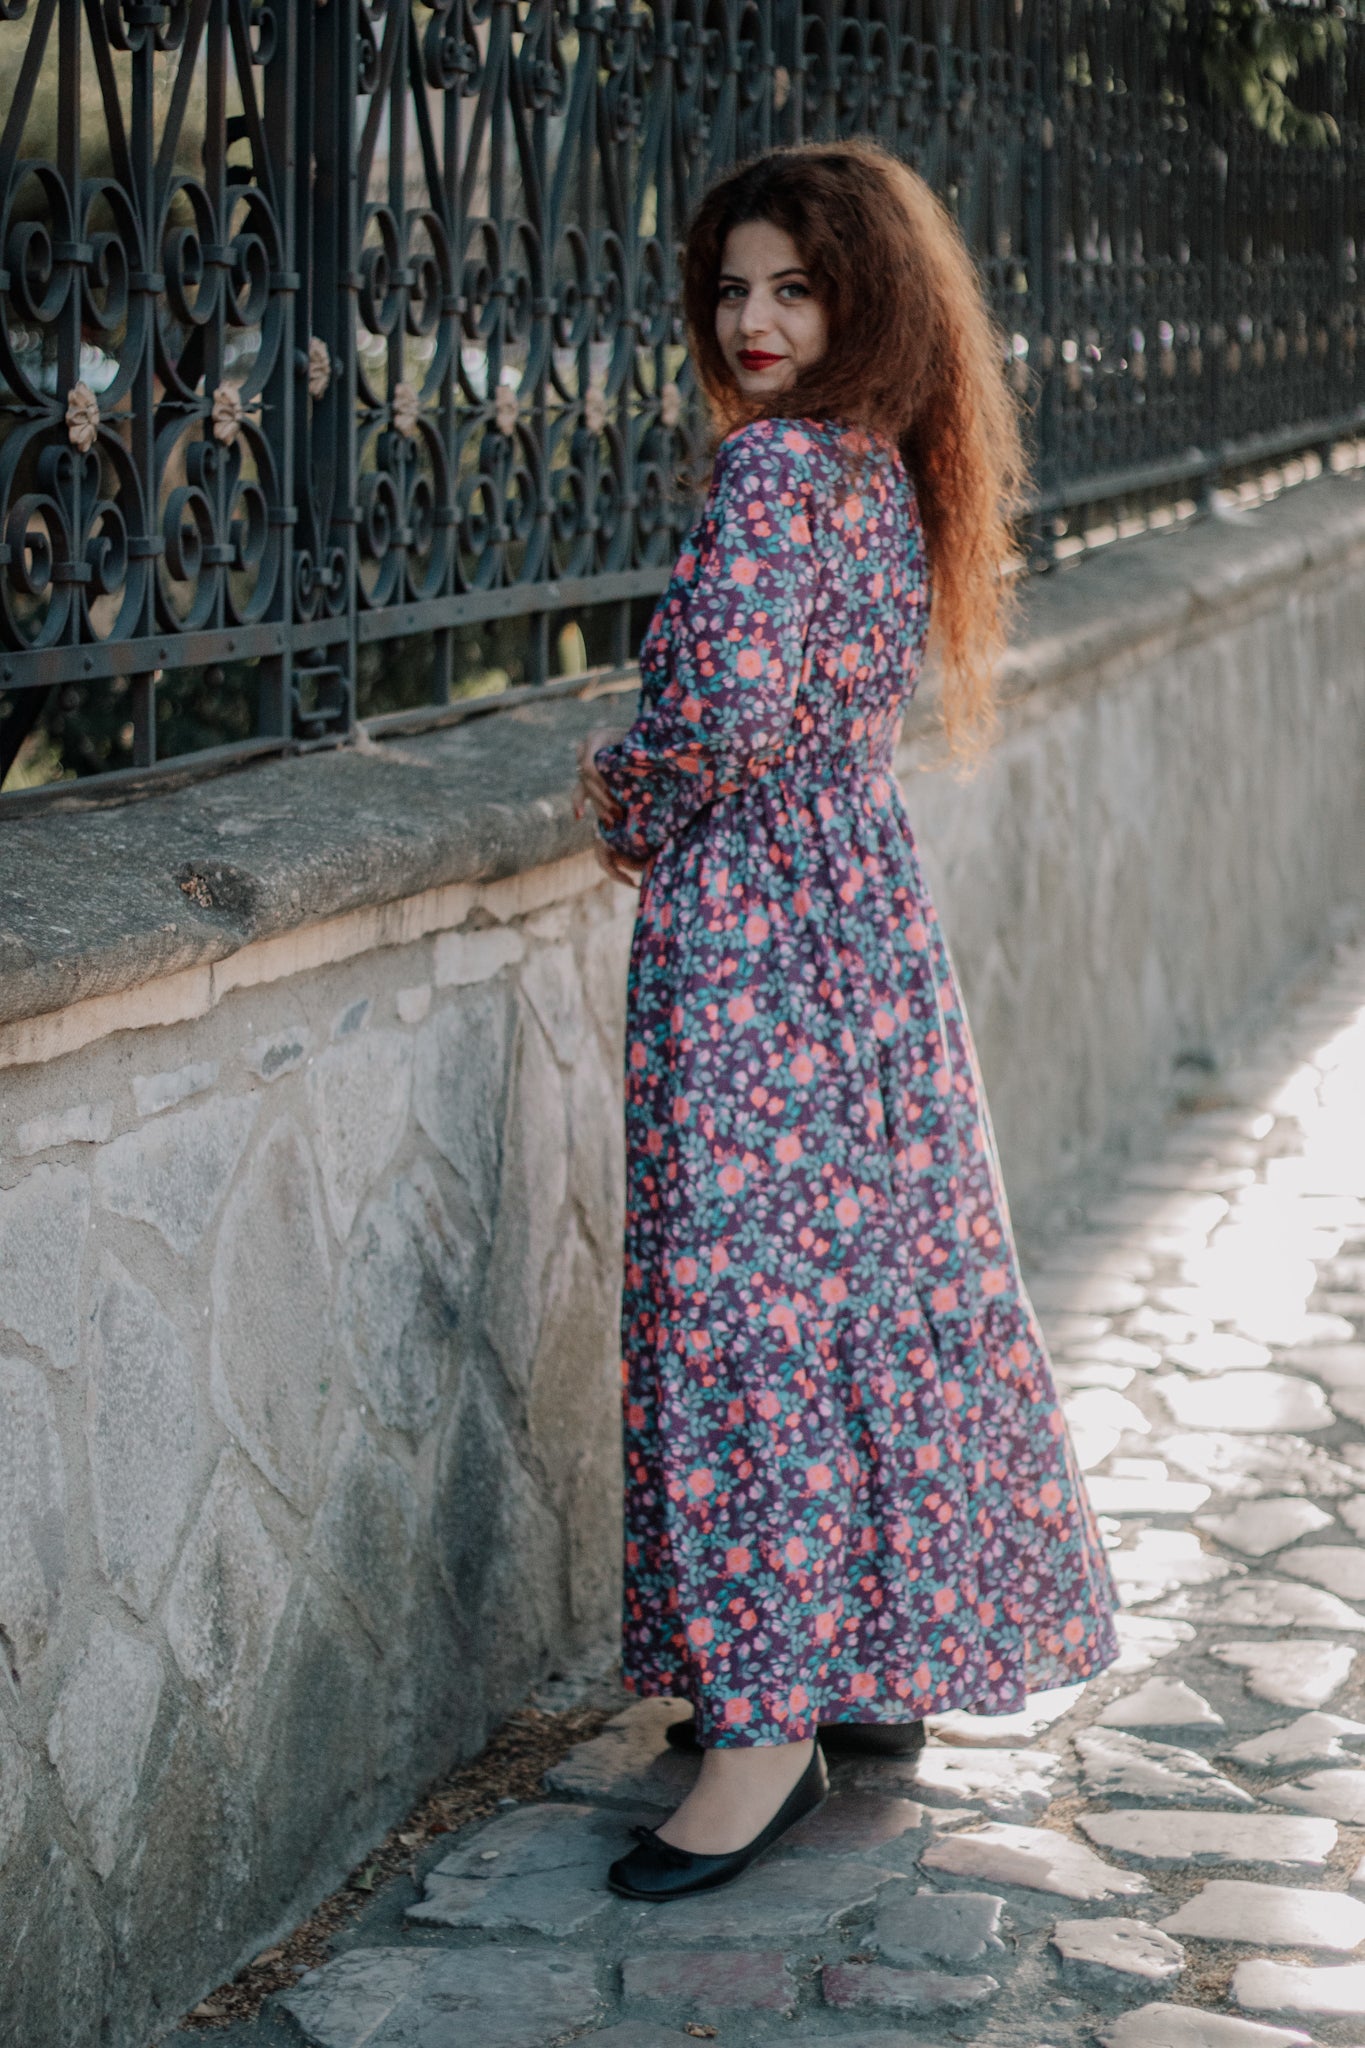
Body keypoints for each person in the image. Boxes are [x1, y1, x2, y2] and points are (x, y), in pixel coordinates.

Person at [576, 138, 1118, 1904]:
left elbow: (716, 712)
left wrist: (619, 790)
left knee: (743, 1307)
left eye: (791, 287)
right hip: (855, 931)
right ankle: (847, 1666)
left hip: (750, 941)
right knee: (857, 1287)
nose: (749, 318)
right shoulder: (878, 470)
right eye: (732, 288)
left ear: (859, 295)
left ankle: (761, 1732)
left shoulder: (774, 480)